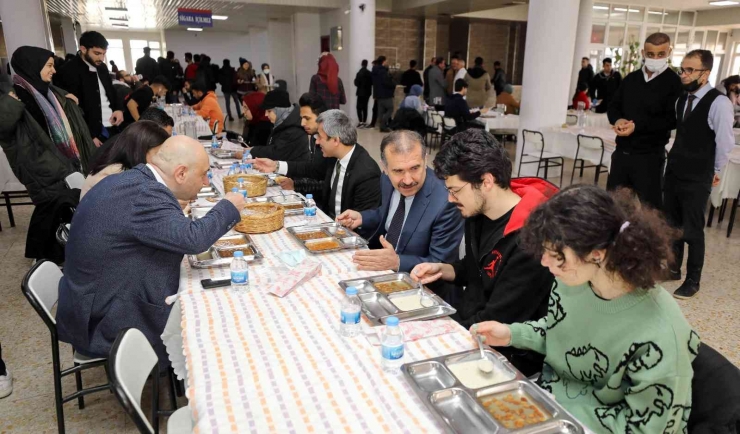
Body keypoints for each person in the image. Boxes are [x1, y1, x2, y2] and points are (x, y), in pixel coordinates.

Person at [473, 185, 697, 433]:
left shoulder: (661, 334)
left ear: (597, 255)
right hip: (548, 405)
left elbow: (648, 428)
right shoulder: (574, 281)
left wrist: (560, 415)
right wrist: (512, 334)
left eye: (556, 254)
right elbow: (562, 331)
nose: (544, 262)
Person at [56, 136, 246, 363]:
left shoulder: (136, 180)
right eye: (203, 174)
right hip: (106, 319)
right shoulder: (145, 194)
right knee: (214, 320)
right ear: (181, 173)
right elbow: (193, 239)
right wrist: (229, 207)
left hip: (95, 298)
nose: (206, 182)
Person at [411, 129, 556, 375]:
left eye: (455, 190)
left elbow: (499, 317)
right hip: (472, 325)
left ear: (487, 182)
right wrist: (443, 269)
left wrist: (432, 332)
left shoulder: (531, 239)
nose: (449, 199)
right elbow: (477, 268)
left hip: (507, 354)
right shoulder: (478, 210)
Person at [0, 46, 94, 264]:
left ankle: (56, 254)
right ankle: (44, 257)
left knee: (59, 208)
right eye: (49, 66)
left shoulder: (49, 92)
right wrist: (12, 101)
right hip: (40, 167)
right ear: (33, 66)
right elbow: (3, 126)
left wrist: (70, 101)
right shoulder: (17, 95)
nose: (53, 71)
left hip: (62, 163)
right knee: (51, 209)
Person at [337, 130, 464, 277]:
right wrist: (362, 217)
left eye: (415, 168)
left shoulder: (446, 201)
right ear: (384, 168)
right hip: (382, 268)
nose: (408, 180)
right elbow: (390, 214)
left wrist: (397, 262)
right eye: (398, 171)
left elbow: (440, 264)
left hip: (423, 286)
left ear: (425, 160)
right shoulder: (386, 180)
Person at [665, 50, 735, 299]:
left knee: (693, 229)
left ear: (705, 74)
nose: (683, 75)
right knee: (671, 224)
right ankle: (672, 268)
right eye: (682, 69)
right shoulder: (682, 99)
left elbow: (725, 143)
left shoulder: (719, 103)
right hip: (674, 170)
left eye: (689, 70)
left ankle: (693, 279)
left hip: (698, 174)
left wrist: (715, 171)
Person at [607, 33, 682, 210]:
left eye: (661, 54)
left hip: (649, 158)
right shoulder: (631, 79)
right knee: (613, 206)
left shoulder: (674, 83)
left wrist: (637, 126)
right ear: (643, 53)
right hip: (621, 155)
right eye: (650, 54)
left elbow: (671, 120)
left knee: (651, 211)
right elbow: (613, 106)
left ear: (669, 52)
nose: (655, 58)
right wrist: (618, 120)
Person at [279, 110, 381, 219]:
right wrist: (295, 185)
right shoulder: (333, 157)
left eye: (320, 137)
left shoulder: (366, 172)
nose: (317, 142)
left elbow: (364, 221)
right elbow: (325, 187)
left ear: (336, 140)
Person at [248, 93, 330, 200]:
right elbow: (312, 168)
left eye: (307, 118)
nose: (302, 123)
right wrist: (276, 166)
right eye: (301, 118)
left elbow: (327, 184)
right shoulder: (314, 136)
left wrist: (296, 185)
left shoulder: (328, 142)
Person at [55, 31, 124, 148]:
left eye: (104, 54)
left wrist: (118, 109)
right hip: (91, 134)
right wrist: (89, 135)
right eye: (97, 53)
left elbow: (111, 91)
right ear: (83, 49)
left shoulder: (102, 67)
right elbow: (72, 109)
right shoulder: (68, 71)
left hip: (112, 127)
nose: (101, 58)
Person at [81, 121, 170, 200]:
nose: (161, 161)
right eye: (158, 154)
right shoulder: (116, 175)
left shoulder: (121, 167)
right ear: (140, 150)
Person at [246, 89, 308, 161]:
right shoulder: (281, 123)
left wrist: (252, 151)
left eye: (269, 111)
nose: (266, 114)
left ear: (280, 110)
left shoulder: (294, 129)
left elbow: (276, 153)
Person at [372, 56, 396, 132]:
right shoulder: (383, 71)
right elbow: (386, 82)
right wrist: (393, 84)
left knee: (381, 111)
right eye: (386, 61)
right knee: (390, 108)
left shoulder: (374, 70)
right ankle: (383, 124)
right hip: (386, 94)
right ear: (383, 61)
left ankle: (382, 127)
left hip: (378, 94)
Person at [354, 59, 373, 128]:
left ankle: (360, 122)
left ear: (362, 64)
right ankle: (364, 122)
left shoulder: (359, 73)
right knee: (365, 107)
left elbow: (356, 83)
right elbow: (372, 83)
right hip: (367, 93)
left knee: (359, 107)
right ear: (367, 64)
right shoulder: (370, 73)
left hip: (360, 92)